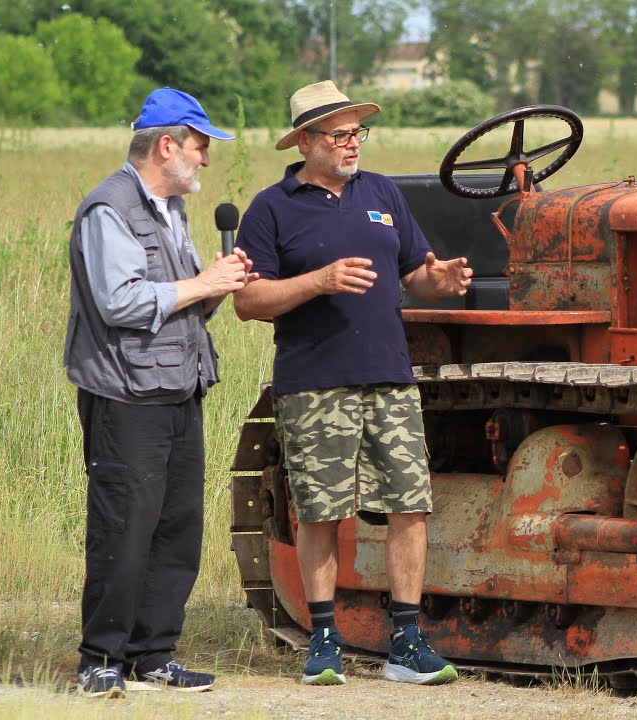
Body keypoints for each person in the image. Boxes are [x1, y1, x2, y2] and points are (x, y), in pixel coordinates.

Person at [233, 81, 472, 687]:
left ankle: (407, 643)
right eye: (338, 135)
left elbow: (416, 272)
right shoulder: (272, 207)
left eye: (357, 133)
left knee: (409, 506)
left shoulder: (382, 193)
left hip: (390, 377)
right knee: (321, 512)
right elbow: (250, 300)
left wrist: (439, 279)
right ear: (306, 142)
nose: (351, 144)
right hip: (314, 383)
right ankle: (323, 640)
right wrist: (319, 281)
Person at [63, 87, 258, 698]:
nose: (205, 159)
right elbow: (118, 300)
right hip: (126, 396)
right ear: (167, 145)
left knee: (177, 527)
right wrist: (201, 282)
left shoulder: (171, 208)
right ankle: (101, 659)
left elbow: (184, 303)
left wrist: (219, 285)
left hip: (178, 389)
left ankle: (154, 654)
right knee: (124, 526)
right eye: (200, 147)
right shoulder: (109, 208)